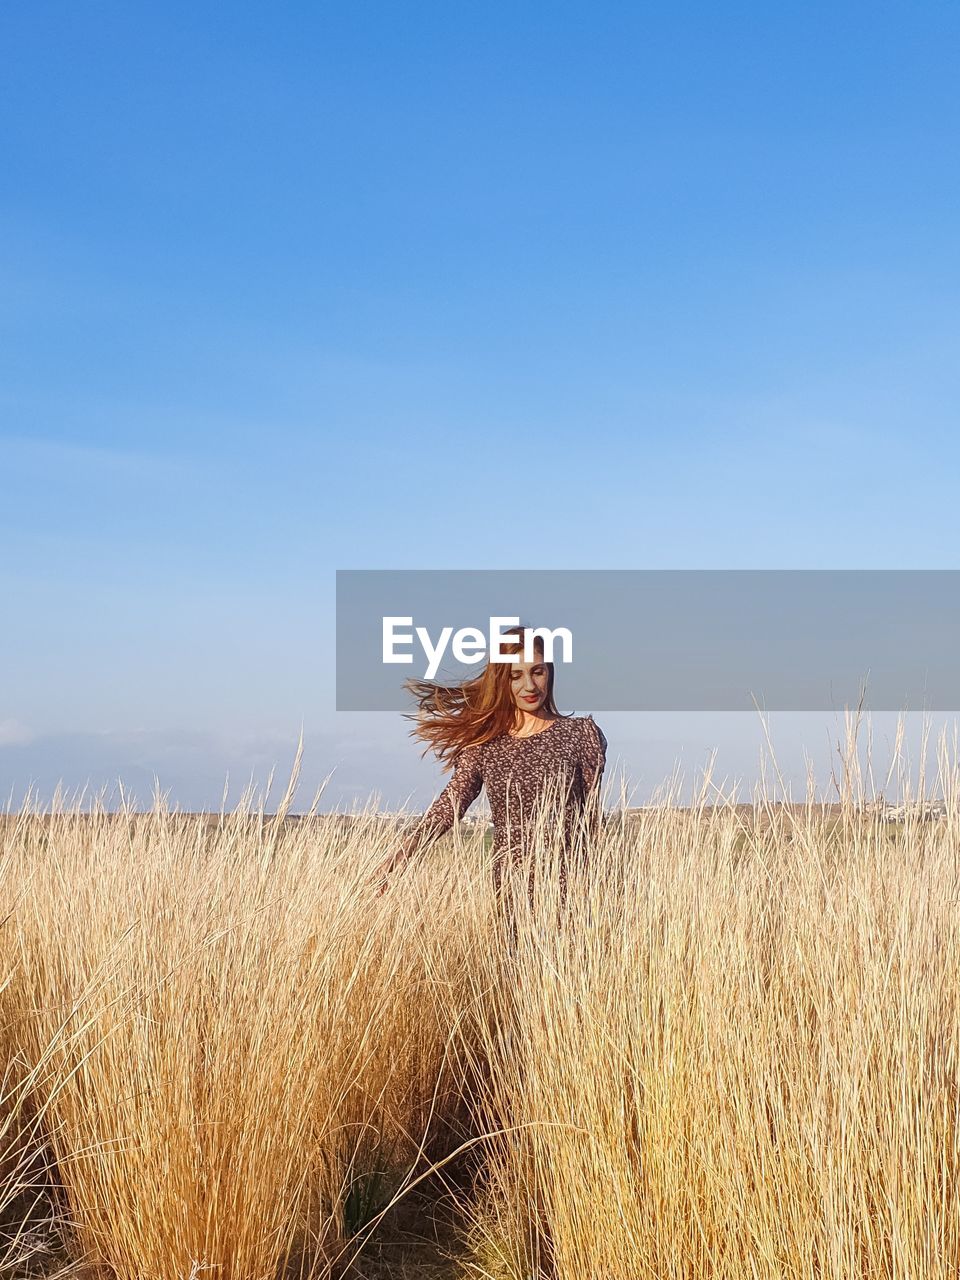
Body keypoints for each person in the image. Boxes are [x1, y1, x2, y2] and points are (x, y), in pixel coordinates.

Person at [372, 623, 607, 899]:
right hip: (513, 890)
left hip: (575, 887)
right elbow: (451, 803)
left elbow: (592, 818)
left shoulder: (580, 734)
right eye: (515, 675)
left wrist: (603, 887)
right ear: (501, 680)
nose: (529, 685)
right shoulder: (486, 743)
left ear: (550, 673)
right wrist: (404, 853)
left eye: (537, 672)